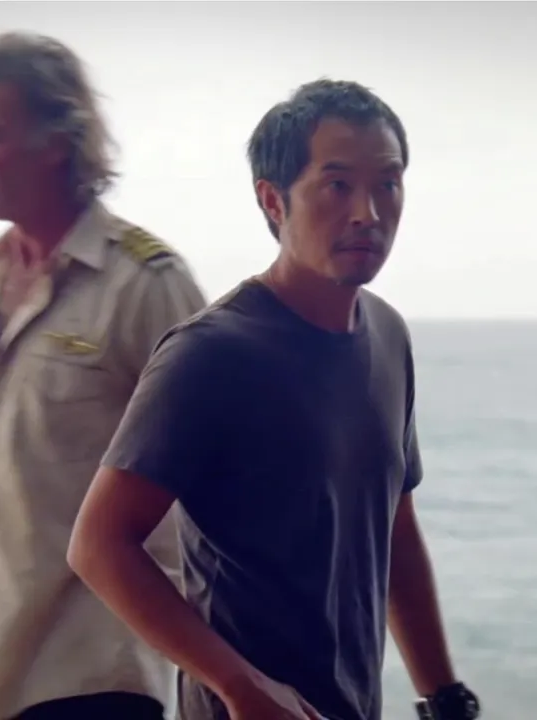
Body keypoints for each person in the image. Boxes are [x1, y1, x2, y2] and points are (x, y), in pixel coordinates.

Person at [67, 79, 481, 720]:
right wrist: (240, 686)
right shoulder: (210, 355)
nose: (368, 213)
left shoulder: (387, 336)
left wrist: (445, 699)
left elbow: (393, 529)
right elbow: (98, 545)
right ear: (272, 199)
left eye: (388, 184)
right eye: (337, 185)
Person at [0, 31, 207, 720]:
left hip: (97, 676)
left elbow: (222, 480)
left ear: (57, 140)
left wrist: (228, 677)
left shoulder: (144, 284)